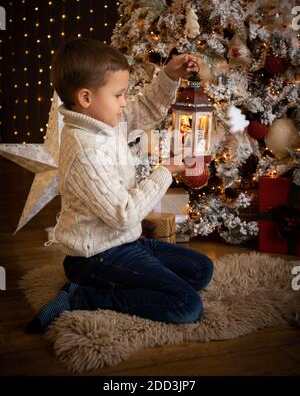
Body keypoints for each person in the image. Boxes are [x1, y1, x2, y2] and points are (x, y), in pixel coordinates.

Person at [26, 38, 213, 333]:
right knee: (185, 304)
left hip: (125, 241)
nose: (125, 101)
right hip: (96, 256)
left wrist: (169, 75)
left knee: (202, 269)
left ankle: (128, 279)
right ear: (86, 98)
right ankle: (81, 295)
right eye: (119, 95)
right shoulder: (85, 150)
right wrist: (164, 172)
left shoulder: (103, 122)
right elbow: (123, 214)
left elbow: (145, 109)